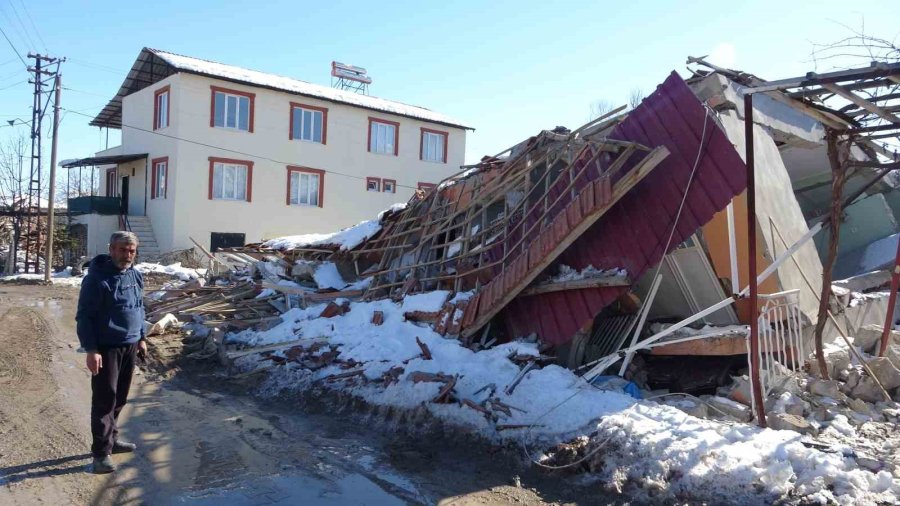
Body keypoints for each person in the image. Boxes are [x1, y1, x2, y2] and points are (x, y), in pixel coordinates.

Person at [75, 231, 147, 474]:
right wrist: (91, 350)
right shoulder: (96, 279)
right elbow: (84, 317)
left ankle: (112, 440)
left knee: (120, 397)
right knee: (105, 400)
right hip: (106, 347)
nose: (127, 255)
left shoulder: (135, 275)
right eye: (123, 250)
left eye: (131, 251)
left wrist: (142, 337)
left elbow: (138, 307)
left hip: (130, 344)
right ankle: (100, 454)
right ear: (111, 249)